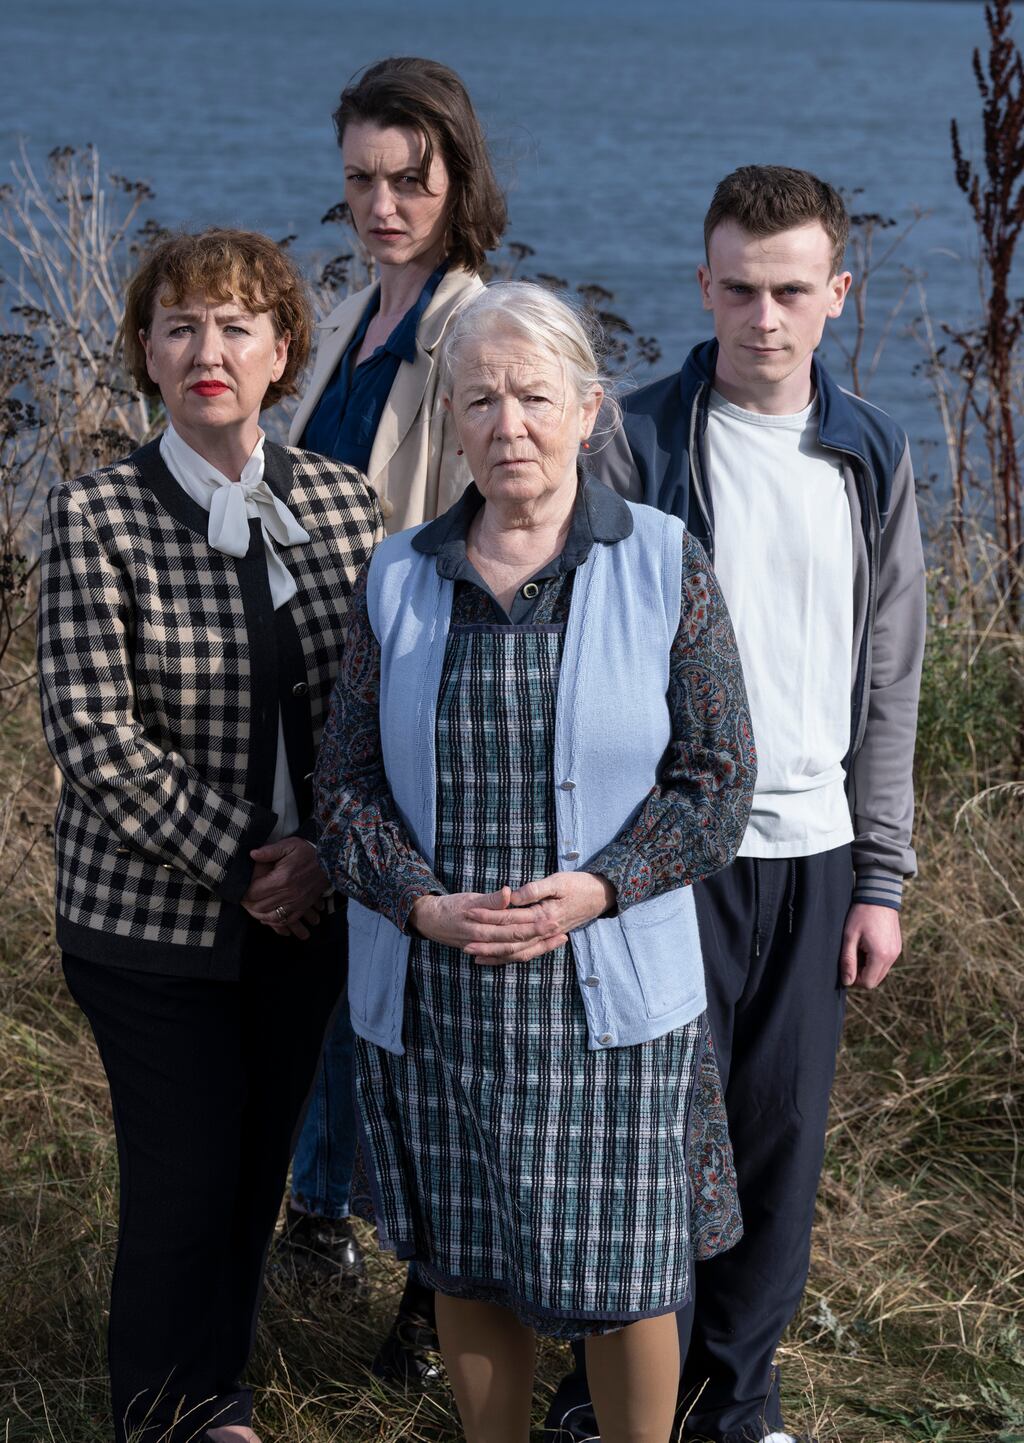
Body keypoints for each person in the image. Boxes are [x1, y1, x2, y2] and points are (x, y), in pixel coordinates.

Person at [314, 280, 757, 1443]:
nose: (507, 424)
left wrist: (600, 888)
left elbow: (717, 785)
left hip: (603, 999)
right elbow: (344, 792)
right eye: (479, 400)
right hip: (439, 991)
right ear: (451, 421)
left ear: (587, 408)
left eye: (532, 397)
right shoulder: (397, 575)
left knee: (624, 1284)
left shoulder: (666, 562)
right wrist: (420, 908)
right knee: (467, 1264)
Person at [569, 166, 926, 1443]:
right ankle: (605, 1404)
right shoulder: (641, 438)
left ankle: (740, 1403)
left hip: (814, 850)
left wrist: (880, 878)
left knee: (776, 1143)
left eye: (789, 291)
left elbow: (892, 680)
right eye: (738, 289)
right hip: (669, 852)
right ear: (702, 285)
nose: (762, 317)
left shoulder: (870, 452)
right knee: (652, 1141)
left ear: (836, 294)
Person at [36, 227, 383, 1443]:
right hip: (151, 921)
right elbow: (93, 733)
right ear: (146, 352)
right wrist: (251, 862)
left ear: (283, 351)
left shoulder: (346, 507)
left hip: (311, 909)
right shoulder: (98, 515)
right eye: (180, 327)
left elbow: (378, 711)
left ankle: (213, 1390)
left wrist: (323, 860)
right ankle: (167, 1412)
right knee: (181, 1180)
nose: (208, 350)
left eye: (237, 326)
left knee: (251, 1174)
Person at [280, 55, 507, 1385]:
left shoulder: (477, 330)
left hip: (423, 718)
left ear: (456, 179)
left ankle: (435, 1305)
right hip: (333, 703)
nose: (380, 203)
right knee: (344, 987)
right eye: (360, 179)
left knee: (424, 1014)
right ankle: (322, 1218)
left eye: (407, 180)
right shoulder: (360, 318)